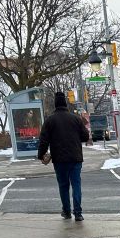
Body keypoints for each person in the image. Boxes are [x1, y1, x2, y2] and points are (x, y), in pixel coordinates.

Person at [38, 91, 90, 221]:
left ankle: (66, 212)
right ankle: (78, 213)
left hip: (59, 159)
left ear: (55, 104)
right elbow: (85, 136)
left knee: (63, 185)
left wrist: (41, 155)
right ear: (65, 103)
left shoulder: (50, 120)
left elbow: (43, 140)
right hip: (75, 157)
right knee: (76, 184)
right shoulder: (75, 119)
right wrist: (75, 137)